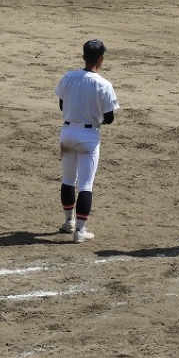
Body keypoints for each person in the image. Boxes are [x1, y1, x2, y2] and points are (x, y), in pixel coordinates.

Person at [54, 39, 120, 243]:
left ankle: (69, 222)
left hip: (67, 132)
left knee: (68, 180)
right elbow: (109, 118)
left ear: (83, 57)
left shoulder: (68, 77)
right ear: (101, 59)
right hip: (89, 137)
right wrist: (95, 117)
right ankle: (80, 231)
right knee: (85, 185)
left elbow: (61, 105)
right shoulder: (104, 84)